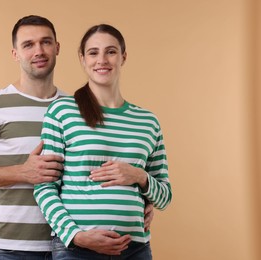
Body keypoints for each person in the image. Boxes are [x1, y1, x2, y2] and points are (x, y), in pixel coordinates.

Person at [0, 15, 155, 260]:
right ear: (15, 53)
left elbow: (101, 169)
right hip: (12, 247)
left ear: (57, 48)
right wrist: (21, 172)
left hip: (72, 245)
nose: (39, 51)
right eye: (28, 45)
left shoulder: (78, 109)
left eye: (46, 42)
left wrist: (140, 200)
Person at [34, 24, 172, 260]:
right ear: (82, 58)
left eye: (111, 51)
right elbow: (44, 187)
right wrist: (75, 235)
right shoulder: (62, 111)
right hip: (77, 250)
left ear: (123, 57)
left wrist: (139, 176)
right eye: (93, 52)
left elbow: (164, 197)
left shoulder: (148, 122)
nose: (102, 60)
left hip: (135, 250)